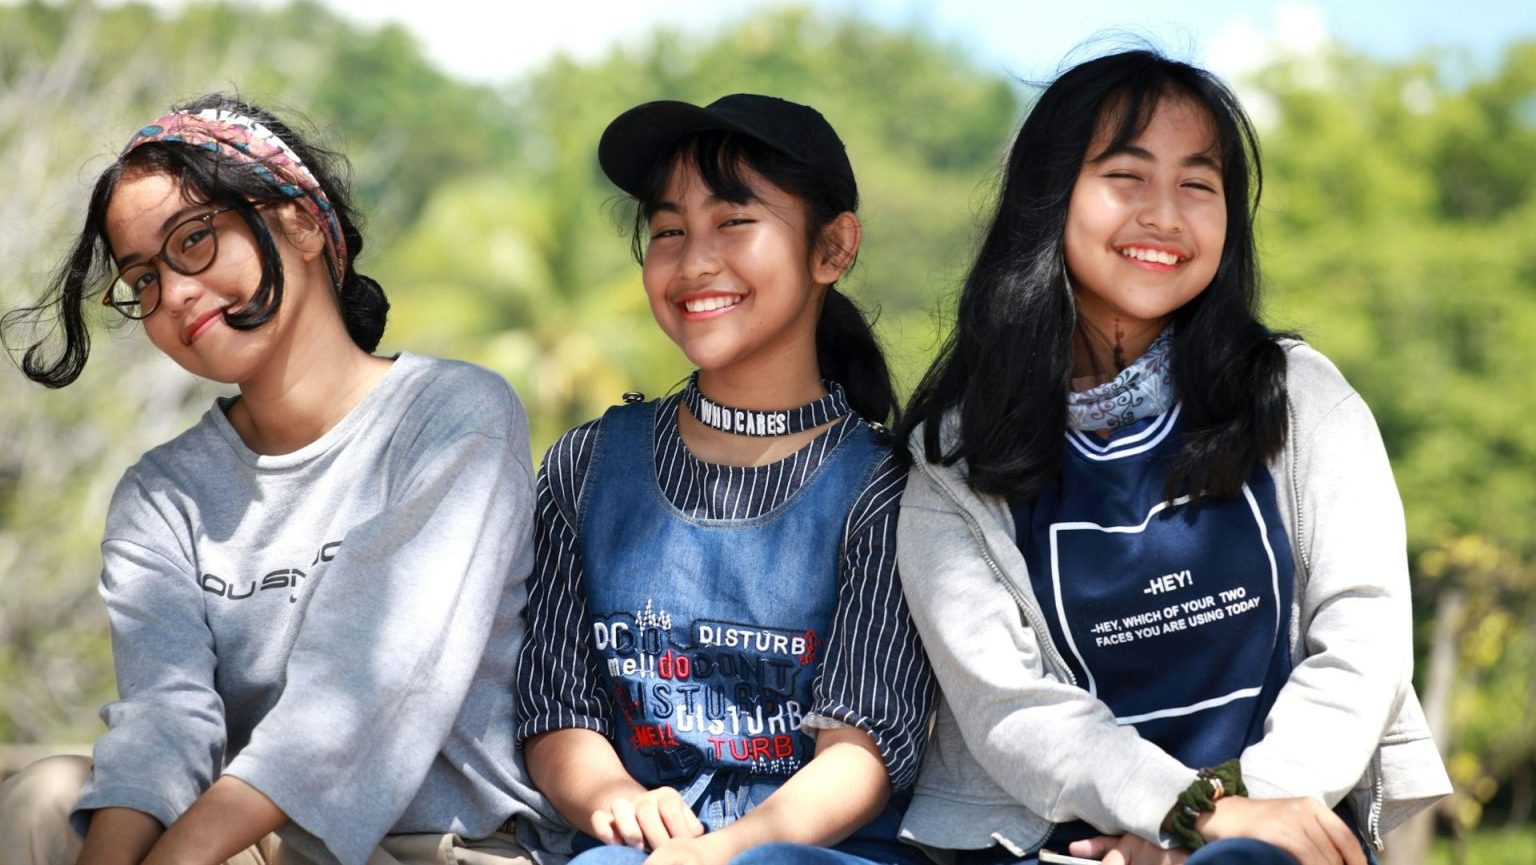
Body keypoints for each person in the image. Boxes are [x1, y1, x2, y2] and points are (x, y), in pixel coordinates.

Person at [892, 50, 1451, 865]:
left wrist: (1227, 818)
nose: (1165, 214)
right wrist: (1179, 811)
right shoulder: (954, 456)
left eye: (1197, 184)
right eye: (1127, 176)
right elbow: (1007, 706)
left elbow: (1364, 634)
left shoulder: (1297, 396)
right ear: (1051, 196)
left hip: (1273, 841)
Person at [0, 95, 562, 865]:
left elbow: (362, 693)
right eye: (143, 279)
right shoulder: (161, 494)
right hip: (253, 841)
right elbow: (166, 720)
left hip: (436, 848)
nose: (176, 293)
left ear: (299, 221)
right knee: (44, 798)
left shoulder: (453, 416)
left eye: (194, 241)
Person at [514, 94, 936, 865]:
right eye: (668, 230)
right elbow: (556, 706)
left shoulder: (888, 486)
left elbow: (863, 745)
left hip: (818, 850)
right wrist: (617, 800)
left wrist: (730, 849)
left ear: (833, 249)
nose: (695, 259)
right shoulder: (586, 464)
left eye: (734, 222)